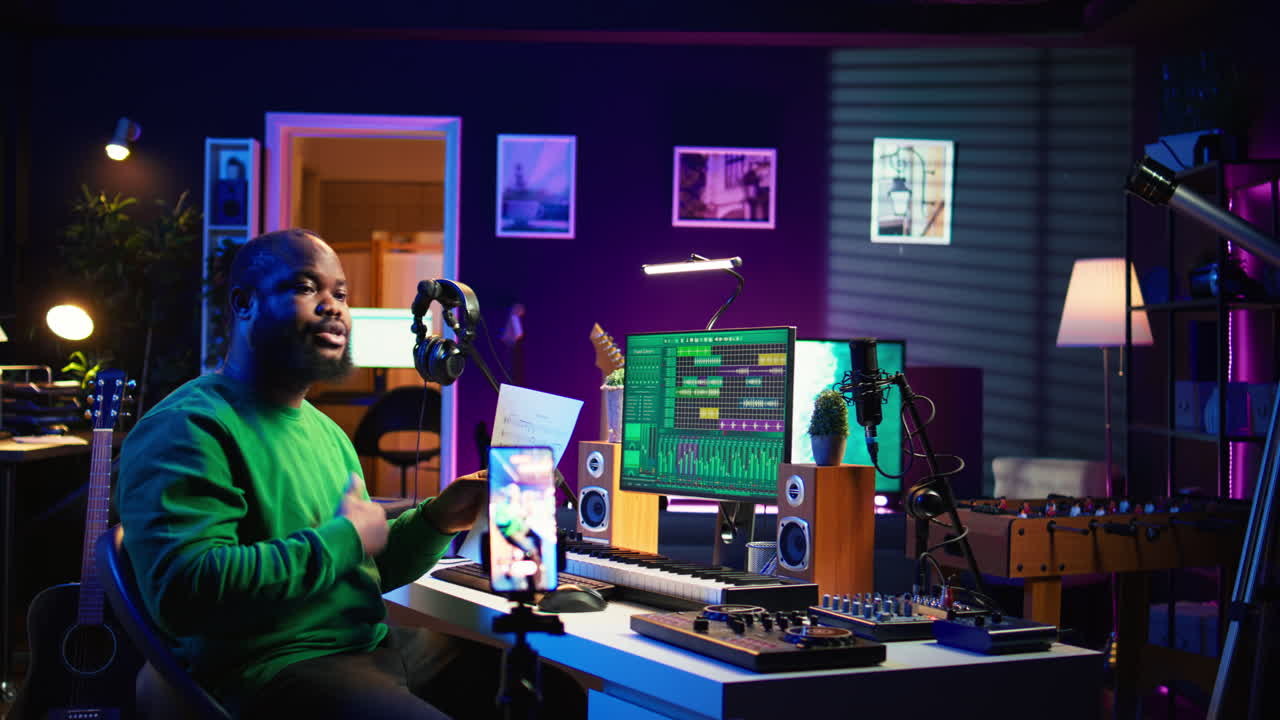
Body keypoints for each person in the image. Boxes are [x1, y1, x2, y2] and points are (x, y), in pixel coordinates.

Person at [116, 228, 494, 719]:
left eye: (341, 294)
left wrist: (438, 518)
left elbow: (357, 570)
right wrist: (345, 537)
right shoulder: (185, 428)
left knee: (537, 684)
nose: (333, 306)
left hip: (366, 647)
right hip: (275, 669)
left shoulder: (327, 433)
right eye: (305, 287)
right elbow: (186, 593)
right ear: (245, 303)